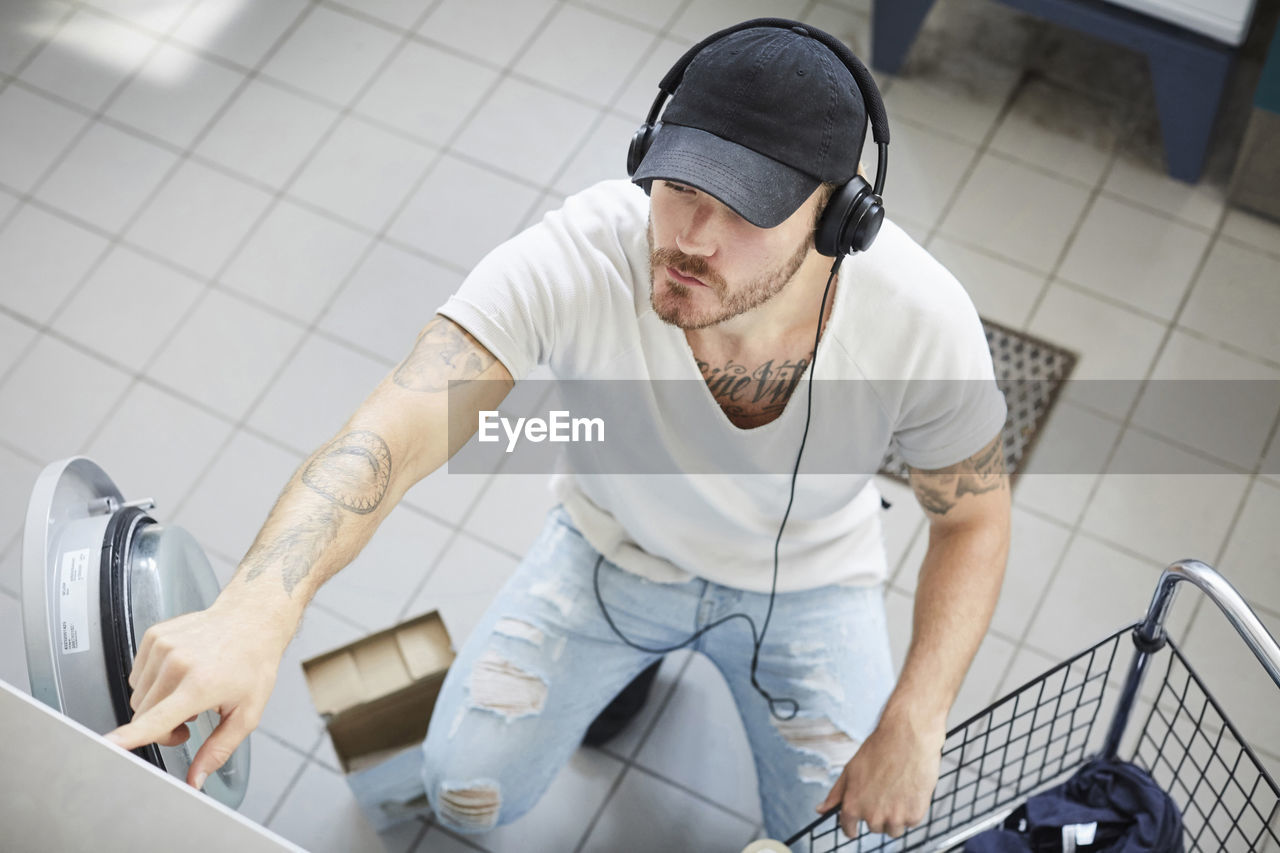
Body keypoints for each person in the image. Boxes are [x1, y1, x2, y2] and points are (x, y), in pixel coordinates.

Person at [105, 18, 1012, 847]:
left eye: (746, 206)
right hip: (612, 546)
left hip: (809, 581)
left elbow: (973, 518)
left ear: (838, 217)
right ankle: (532, 673)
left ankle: (625, 676)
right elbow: (401, 420)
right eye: (679, 182)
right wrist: (257, 606)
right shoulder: (584, 251)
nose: (689, 234)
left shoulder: (923, 322)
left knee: (859, 840)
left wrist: (917, 717)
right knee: (461, 786)